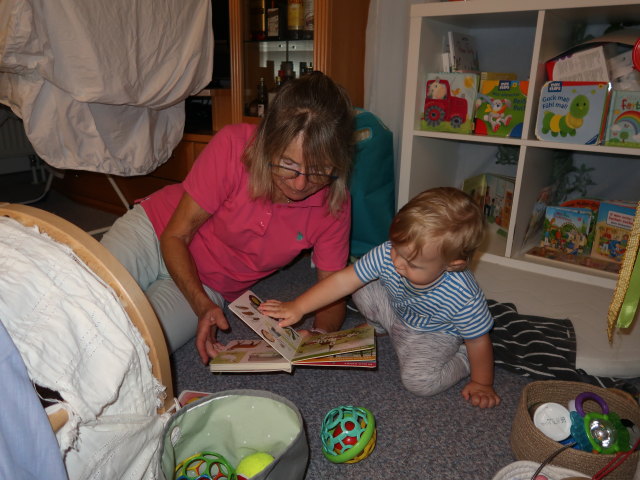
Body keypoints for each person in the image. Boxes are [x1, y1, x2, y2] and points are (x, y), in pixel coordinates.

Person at [101, 72, 355, 363]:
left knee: (134, 350)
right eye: (287, 164)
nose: (300, 184)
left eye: (320, 170)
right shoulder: (233, 145)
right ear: (266, 144)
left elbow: (334, 289)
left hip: (211, 283)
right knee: (81, 295)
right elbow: (176, 235)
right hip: (155, 230)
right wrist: (200, 306)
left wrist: (320, 333)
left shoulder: (335, 203)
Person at [259, 187, 501, 409]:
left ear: (452, 265)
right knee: (358, 285)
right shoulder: (389, 253)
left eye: (411, 263)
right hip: (396, 310)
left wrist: (482, 382)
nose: (396, 262)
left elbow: (478, 340)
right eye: (396, 249)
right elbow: (344, 280)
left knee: (420, 382)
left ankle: (461, 359)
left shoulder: (463, 294)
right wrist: (299, 306)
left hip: (430, 333)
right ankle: (379, 326)